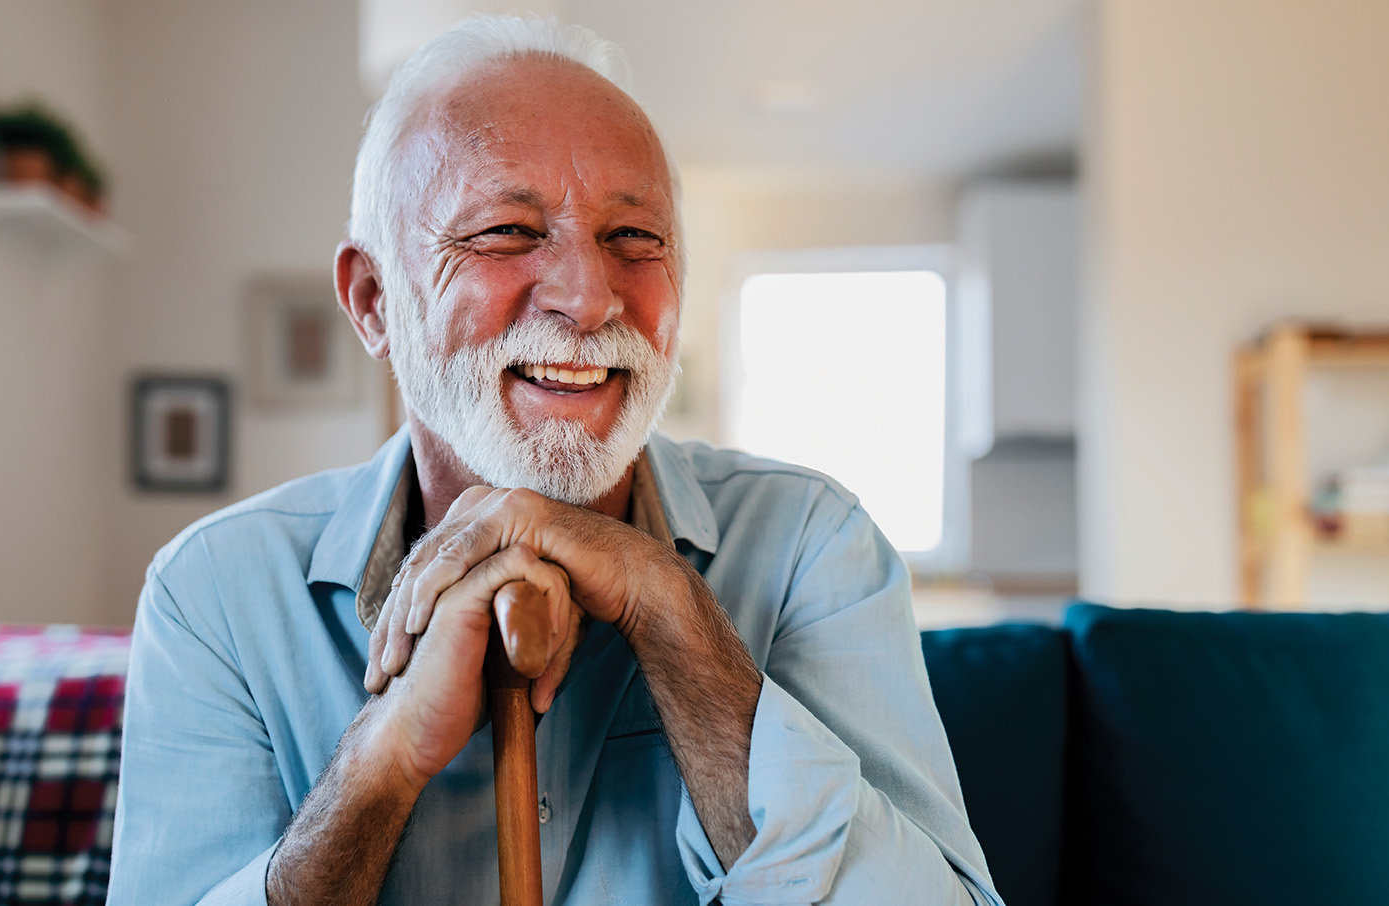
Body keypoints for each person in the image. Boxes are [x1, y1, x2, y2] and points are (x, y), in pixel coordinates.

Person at [110, 15, 1002, 906]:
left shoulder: (813, 544)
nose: (587, 295)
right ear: (374, 300)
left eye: (634, 238)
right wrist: (377, 770)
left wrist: (671, 611)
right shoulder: (215, 591)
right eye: (505, 230)